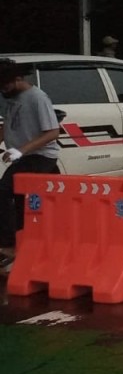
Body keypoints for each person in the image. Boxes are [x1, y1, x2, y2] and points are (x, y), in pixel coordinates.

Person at [0, 59, 61, 271]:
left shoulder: (37, 98)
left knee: (3, 190)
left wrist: (21, 150)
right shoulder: (10, 97)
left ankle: (7, 245)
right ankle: (23, 244)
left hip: (40, 155)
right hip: (23, 156)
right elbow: (8, 125)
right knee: (21, 201)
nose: (2, 89)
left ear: (17, 78)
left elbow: (53, 132)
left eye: (5, 84)